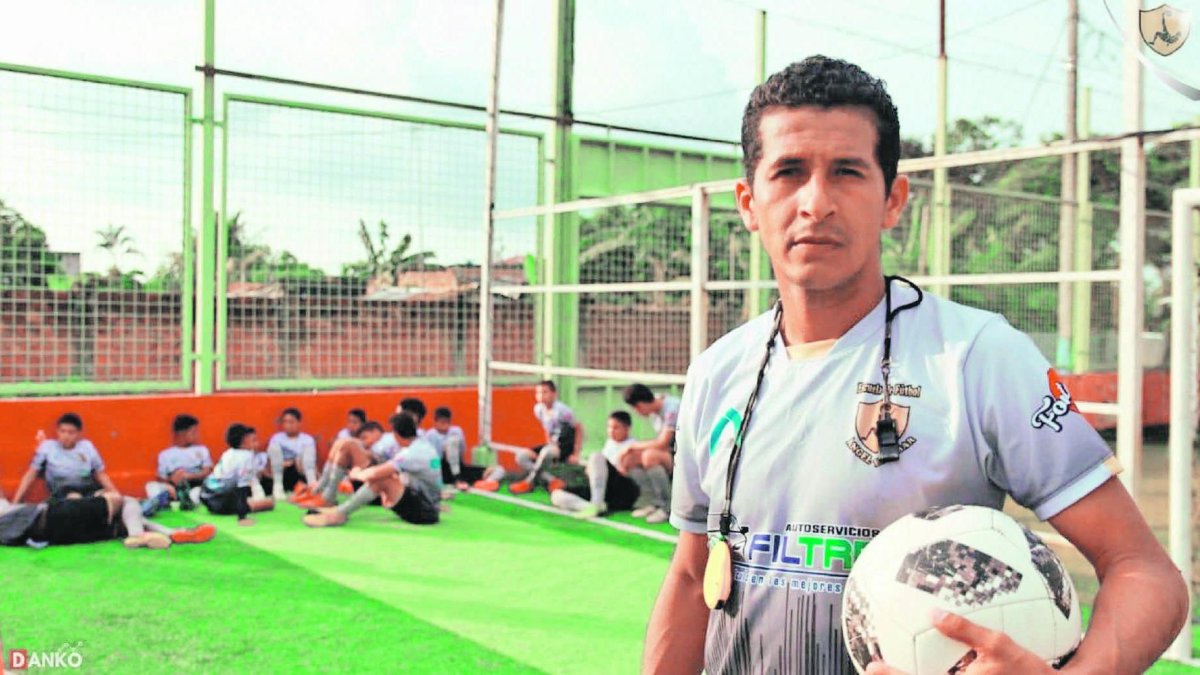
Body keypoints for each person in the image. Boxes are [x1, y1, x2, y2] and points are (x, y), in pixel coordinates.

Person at [643, 56, 1188, 675]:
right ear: (748, 202)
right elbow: (692, 578)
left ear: (892, 201)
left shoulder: (977, 357)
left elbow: (1145, 572)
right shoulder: (718, 372)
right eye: (789, 172)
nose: (816, 203)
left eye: (847, 172)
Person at [303, 413, 441, 528]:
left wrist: (357, 474)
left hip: (426, 512)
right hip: (422, 502)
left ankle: (339, 513)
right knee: (347, 446)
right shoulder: (421, 444)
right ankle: (331, 501)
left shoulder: (411, 453)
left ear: (395, 434)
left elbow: (376, 473)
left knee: (382, 478)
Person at [0, 483, 215, 550]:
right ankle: (140, 535)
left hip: (53, 533)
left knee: (123, 519)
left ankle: (172, 533)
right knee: (122, 500)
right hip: (53, 515)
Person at [474, 380, 583, 494]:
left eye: (545, 392)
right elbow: (546, 429)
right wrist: (548, 444)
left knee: (546, 452)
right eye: (538, 392)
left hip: (565, 446)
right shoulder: (538, 409)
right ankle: (552, 480)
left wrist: (576, 453)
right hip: (551, 445)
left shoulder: (562, 410)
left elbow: (579, 429)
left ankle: (528, 482)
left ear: (554, 394)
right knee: (521, 456)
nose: (541, 395)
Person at [549, 411, 645, 521]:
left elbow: (626, 473)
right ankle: (593, 507)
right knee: (557, 495)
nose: (611, 431)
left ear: (627, 428)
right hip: (601, 490)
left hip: (620, 490)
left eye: (616, 428)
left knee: (596, 456)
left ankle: (596, 503)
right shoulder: (610, 443)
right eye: (609, 427)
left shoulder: (633, 446)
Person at [12, 413, 117, 503]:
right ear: (57, 431)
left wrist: (115, 494)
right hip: (61, 492)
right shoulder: (47, 447)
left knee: (113, 499)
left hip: (87, 489)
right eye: (62, 431)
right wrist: (15, 502)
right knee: (75, 499)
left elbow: (100, 474)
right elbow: (31, 474)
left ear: (79, 433)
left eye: (71, 432)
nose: (66, 436)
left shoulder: (87, 447)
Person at [296, 421, 398, 509]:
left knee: (348, 444)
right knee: (341, 443)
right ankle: (320, 490)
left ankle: (326, 495)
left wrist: (358, 445)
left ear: (376, 431)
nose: (365, 442)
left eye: (365, 437)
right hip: (368, 486)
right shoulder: (378, 447)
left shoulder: (388, 439)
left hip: (383, 491)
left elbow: (374, 456)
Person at [621, 384, 678, 523]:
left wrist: (633, 446)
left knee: (650, 456)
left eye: (636, 408)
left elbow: (663, 443)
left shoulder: (672, 408)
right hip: (670, 453)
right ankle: (651, 502)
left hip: (684, 456)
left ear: (640, 405)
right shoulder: (655, 408)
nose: (637, 412)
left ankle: (667, 507)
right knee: (630, 459)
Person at [201, 423, 275, 527]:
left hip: (207, 493)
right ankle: (238, 511)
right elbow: (242, 488)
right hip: (223, 496)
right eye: (251, 439)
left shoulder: (228, 452)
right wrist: (242, 517)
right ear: (244, 440)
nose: (254, 442)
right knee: (269, 503)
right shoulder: (246, 456)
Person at [143, 414, 213, 513]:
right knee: (151, 486)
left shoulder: (201, 450)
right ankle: (162, 503)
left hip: (195, 486)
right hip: (175, 488)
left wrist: (189, 476)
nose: (197, 435)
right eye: (193, 432)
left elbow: (207, 471)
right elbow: (161, 478)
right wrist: (172, 480)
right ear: (182, 433)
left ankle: (188, 501)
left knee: (197, 493)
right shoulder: (166, 455)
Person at [264, 407, 318, 501]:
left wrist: (295, 462)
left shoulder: (307, 439)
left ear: (299, 423)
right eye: (285, 422)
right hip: (281, 471)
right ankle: (278, 488)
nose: (288, 425)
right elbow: (270, 461)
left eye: (291, 422)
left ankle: (312, 486)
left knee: (306, 455)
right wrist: (283, 463)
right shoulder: (277, 438)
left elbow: (309, 461)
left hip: (299, 471)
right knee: (274, 448)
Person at [424, 407, 469, 492]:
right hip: (438, 466)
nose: (445, 425)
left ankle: (458, 478)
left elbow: (462, 450)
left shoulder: (457, 431)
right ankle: (448, 480)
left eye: (447, 422)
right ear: (436, 422)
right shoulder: (430, 435)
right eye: (442, 422)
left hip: (455, 465)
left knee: (452, 442)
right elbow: (430, 458)